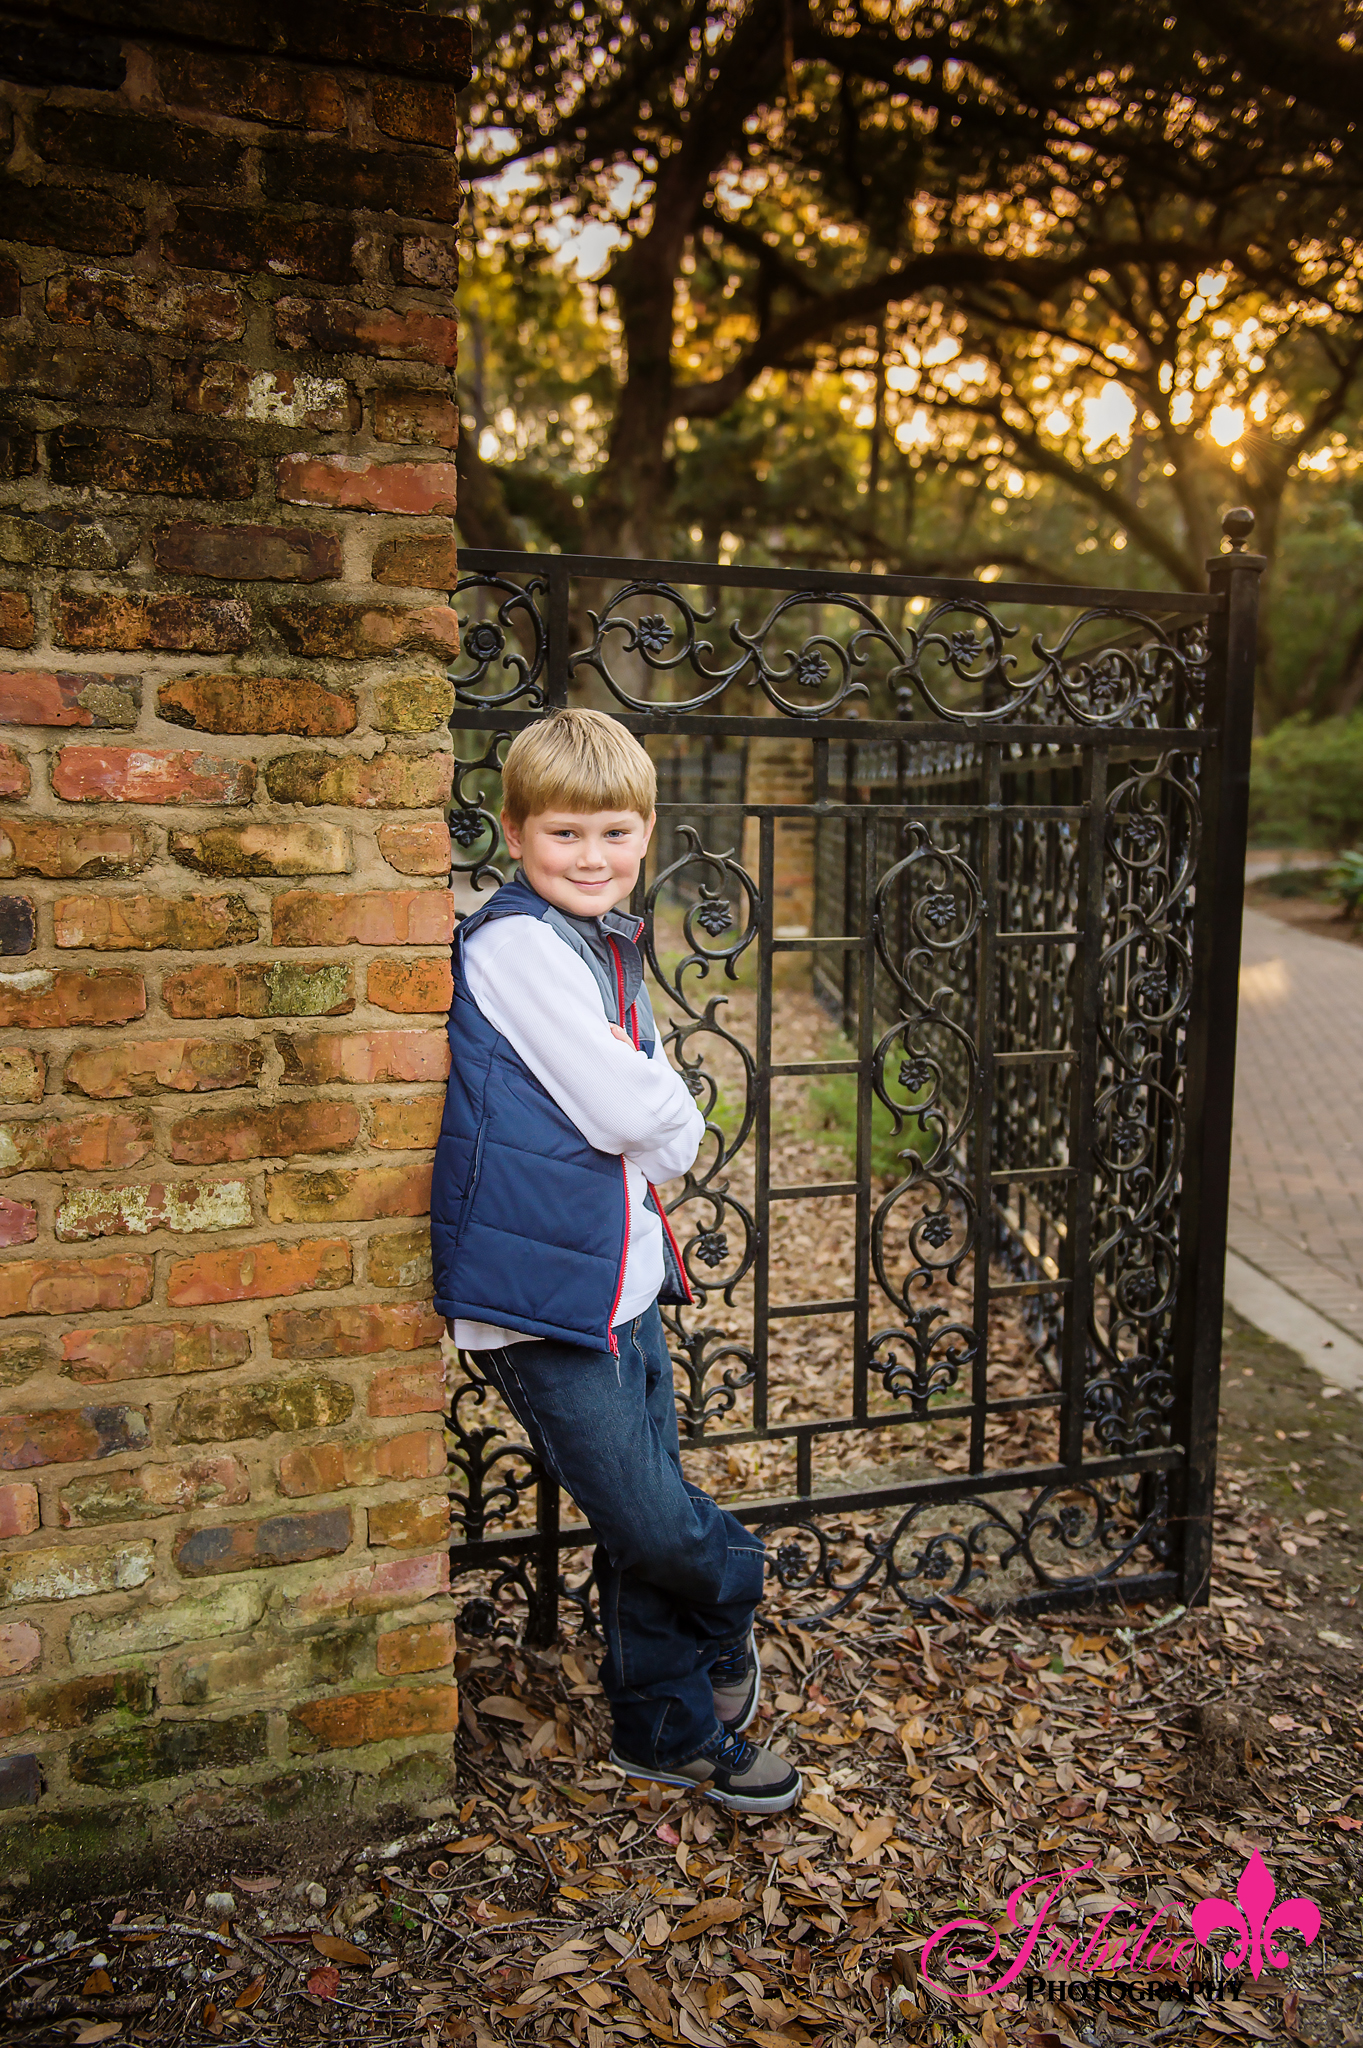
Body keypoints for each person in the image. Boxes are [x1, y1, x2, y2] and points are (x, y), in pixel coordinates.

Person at [432, 707, 801, 1814]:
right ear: (513, 831)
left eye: (613, 833)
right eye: (563, 836)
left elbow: (626, 1100)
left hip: (620, 1278)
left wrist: (650, 1120)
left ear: (646, 831)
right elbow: (630, 1106)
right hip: (543, 1300)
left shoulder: (596, 937)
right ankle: (737, 1586)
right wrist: (670, 1125)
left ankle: (662, 1724)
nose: (590, 858)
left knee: (645, 1522)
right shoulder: (517, 944)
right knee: (651, 1518)